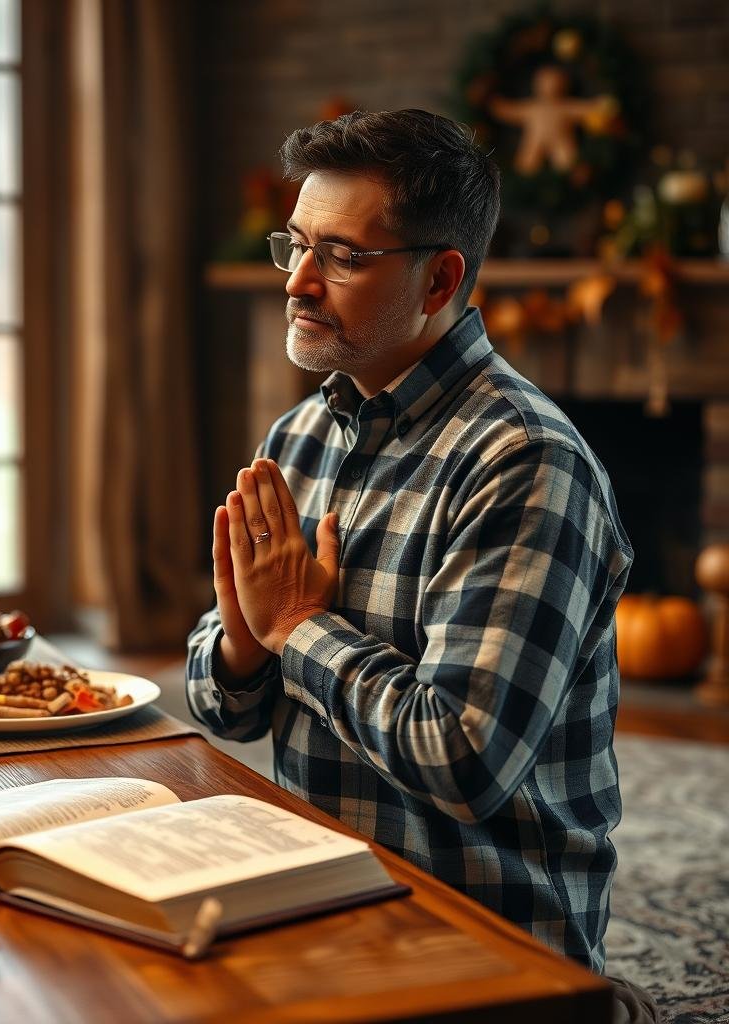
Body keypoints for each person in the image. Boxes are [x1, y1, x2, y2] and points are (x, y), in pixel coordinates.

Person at [186, 109, 643, 997]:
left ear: (439, 281)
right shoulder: (302, 432)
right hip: (318, 904)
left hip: (483, 948)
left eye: (343, 256)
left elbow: (463, 761)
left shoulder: (526, 463)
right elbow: (218, 699)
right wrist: (246, 639)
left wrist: (295, 625)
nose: (300, 282)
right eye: (297, 246)